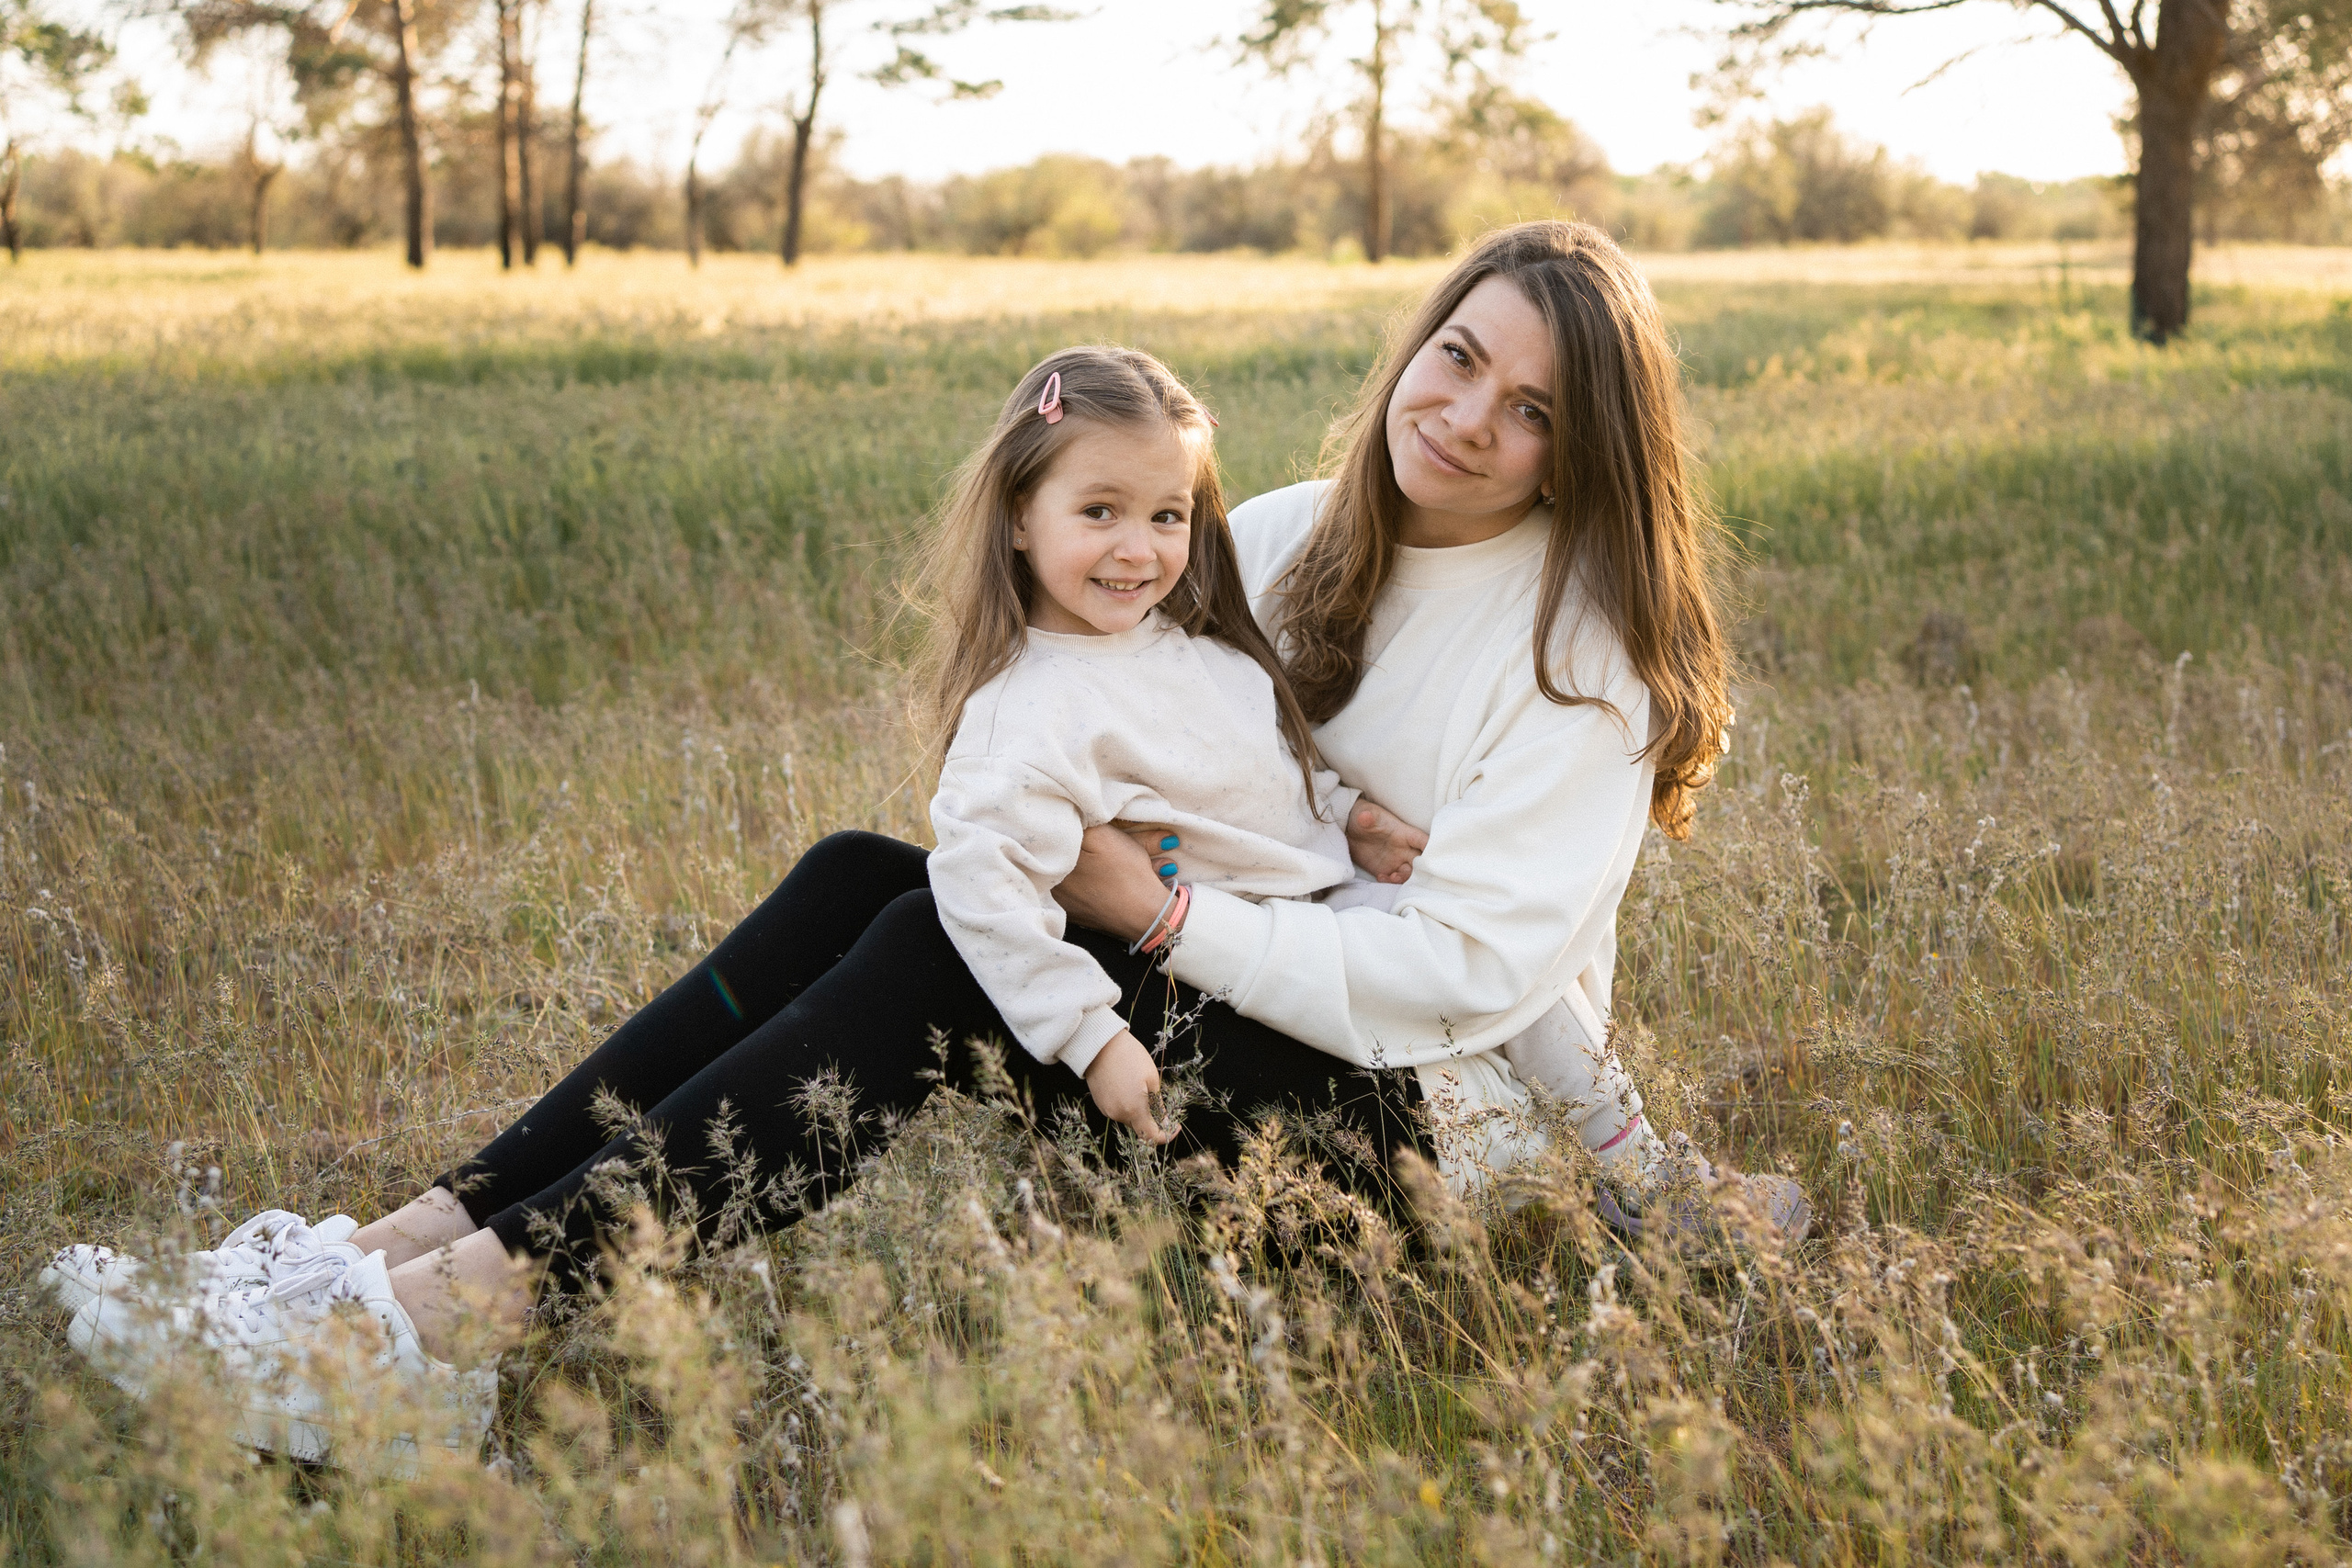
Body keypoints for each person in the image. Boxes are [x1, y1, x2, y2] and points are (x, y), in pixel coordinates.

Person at [51, 220, 1806, 1470]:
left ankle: (446, 1336)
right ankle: (394, 1246)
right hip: (1260, 998)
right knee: (857, 877)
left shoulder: (1584, 667)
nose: (1469, 420)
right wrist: (1138, 857)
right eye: (1460, 358)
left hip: (1408, 1142)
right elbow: (1093, 731)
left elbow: (1459, 974)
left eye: (1533, 413)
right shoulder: (1280, 536)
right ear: (1419, 342)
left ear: (1591, 454)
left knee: (930, 960)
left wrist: (1156, 905)